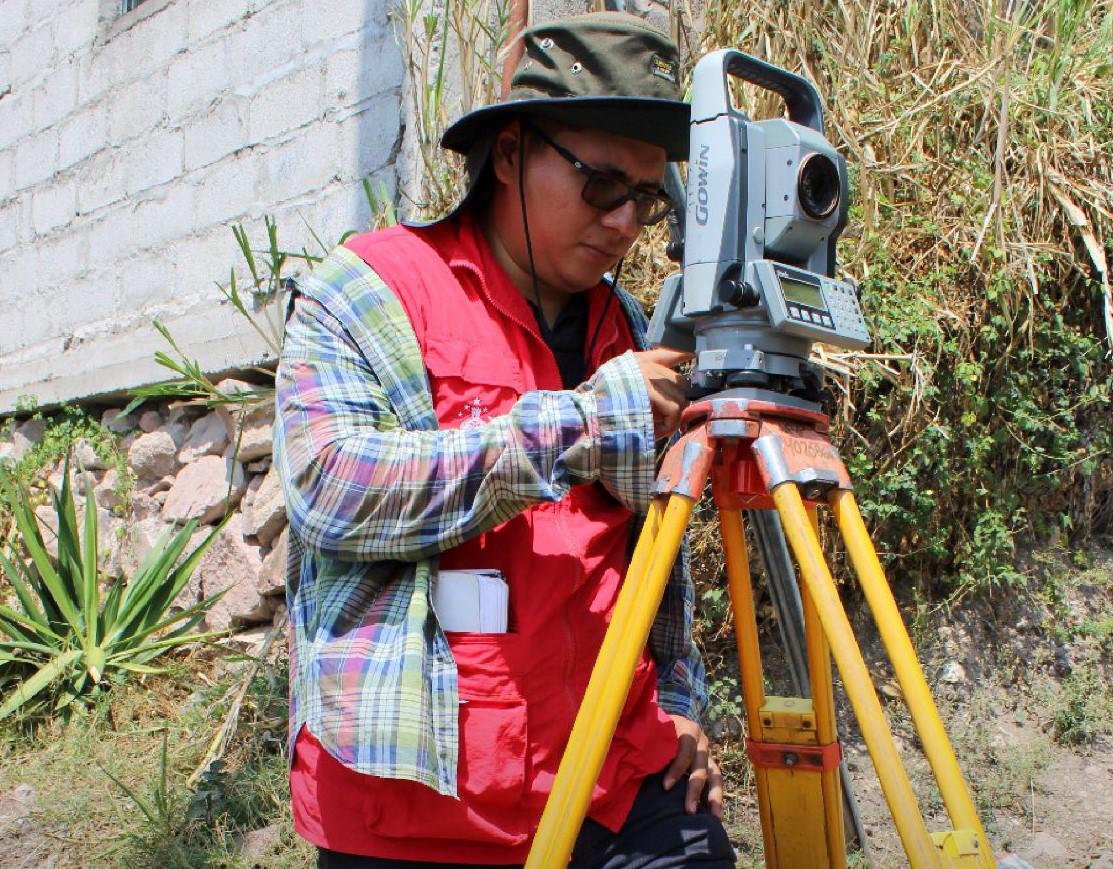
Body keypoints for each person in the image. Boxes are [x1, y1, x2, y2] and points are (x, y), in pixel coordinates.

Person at [274, 11, 734, 868]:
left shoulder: (631, 328)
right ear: (512, 153)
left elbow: (652, 561)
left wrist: (676, 697)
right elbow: (332, 490)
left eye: (645, 197)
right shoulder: (370, 290)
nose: (624, 222)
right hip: (416, 806)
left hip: (612, 778)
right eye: (602, 184)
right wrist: (582, 422)